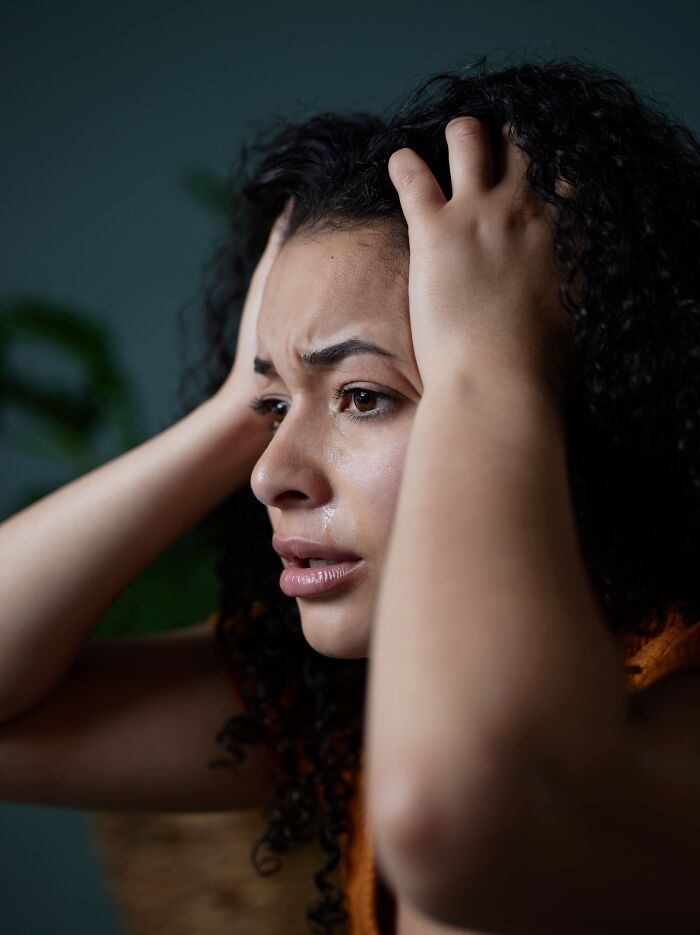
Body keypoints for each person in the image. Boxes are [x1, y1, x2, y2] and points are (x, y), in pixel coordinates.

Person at [2, 53, 700, 935]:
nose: (268, 473)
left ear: (576, 407)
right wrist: (237, 403)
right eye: (273, 412)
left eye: (364, 397)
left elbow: (457, 814)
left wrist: (485, 365)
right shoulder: (348, 708)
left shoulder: (678, 710)